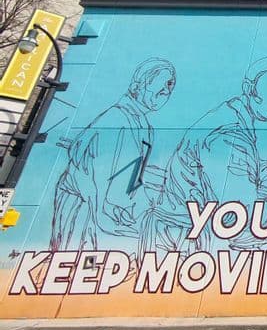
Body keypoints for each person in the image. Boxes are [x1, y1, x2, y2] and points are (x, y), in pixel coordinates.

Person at [141, 56, 267, 256]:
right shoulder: (229, 134)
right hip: (183, 242)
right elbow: (235, 214)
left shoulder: (233, 117)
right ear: (250, 89)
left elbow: (239, 168)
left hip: (188, 233)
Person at [50, 58, 176, 251]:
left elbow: (129, 171)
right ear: (138, 85)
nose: (166, 91)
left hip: (105, 208)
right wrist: (113, 210)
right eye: (161, 84)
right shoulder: (117, 118)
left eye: (169, 87)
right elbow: (99, 174)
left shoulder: (143, 125)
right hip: (83, 210)